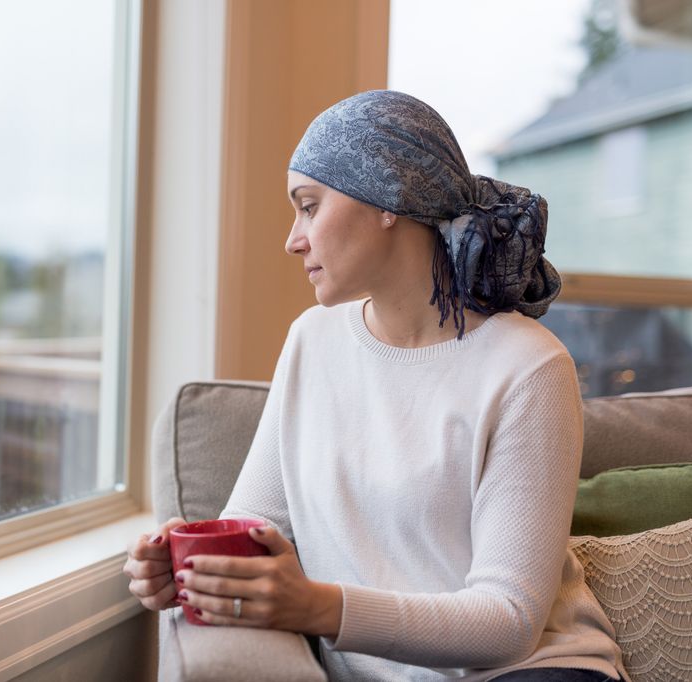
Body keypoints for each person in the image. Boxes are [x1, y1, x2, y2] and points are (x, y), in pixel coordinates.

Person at [123, 90, 627, 681]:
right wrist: (191, 561)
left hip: (530, 672)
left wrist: (320, 606)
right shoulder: (313, 341)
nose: (293, 238)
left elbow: (510, 622)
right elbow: (257, 525)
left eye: (309, 206)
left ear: (389, 198)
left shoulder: (529, 367)